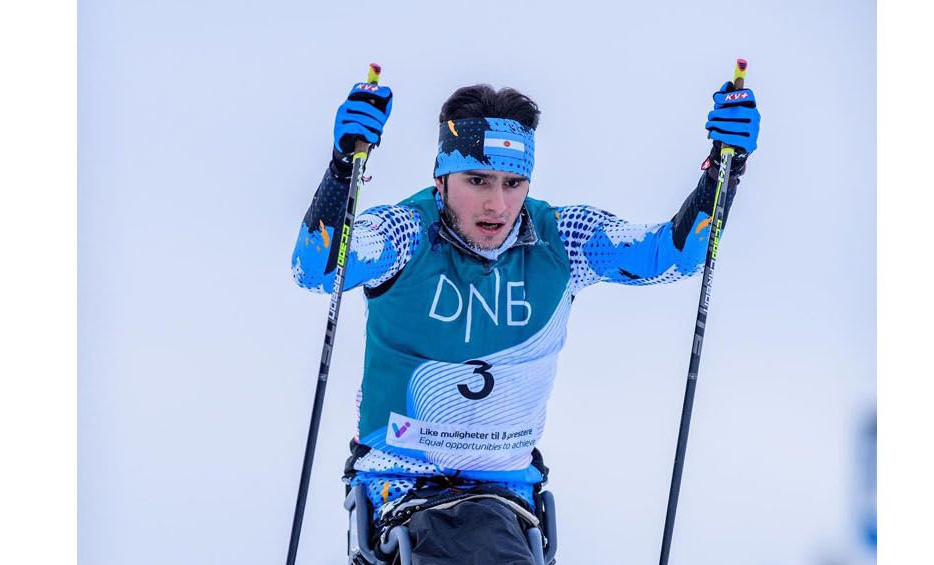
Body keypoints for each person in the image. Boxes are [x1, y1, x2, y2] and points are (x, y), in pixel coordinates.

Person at [290, 78, 760, 540]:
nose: (497, 204)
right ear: (441, 178)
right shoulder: (407, 232)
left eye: (513, 183)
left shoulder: (564, 240)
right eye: (478, 180)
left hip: (506, 495)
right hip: (399, 486)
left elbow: (671, 256)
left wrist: (724, 170)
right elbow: (316, 270)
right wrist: (342, 169)